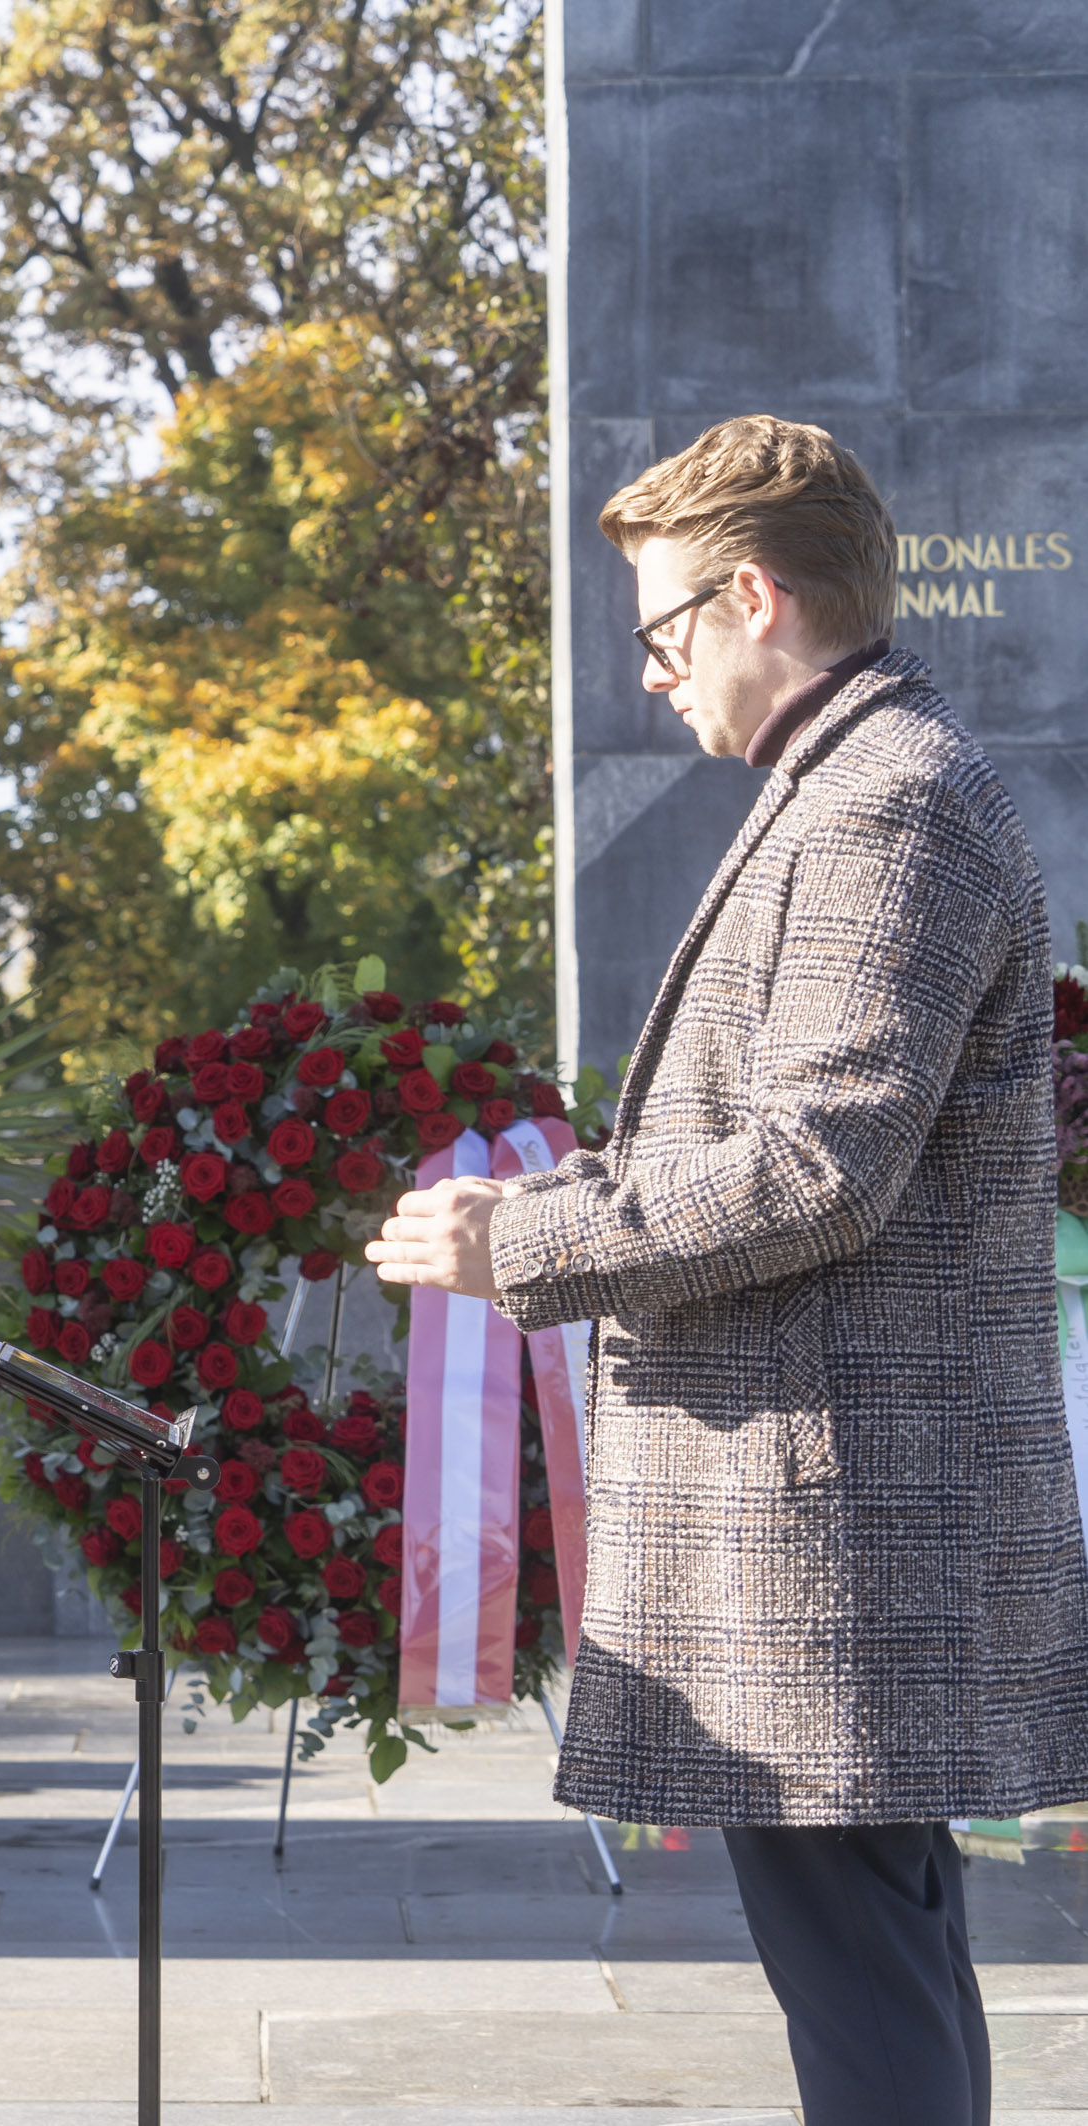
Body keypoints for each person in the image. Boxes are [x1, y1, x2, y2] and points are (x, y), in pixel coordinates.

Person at [371, 415, 1088, 2126]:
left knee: (861, 1979)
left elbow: (814, 1169)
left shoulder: (883, 802)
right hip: (833, 1503)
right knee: (875, 1955)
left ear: (753, 594)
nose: (651, 679)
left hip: (837, 1518)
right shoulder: (853, 786)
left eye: (662, 629)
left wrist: (519, 1236)